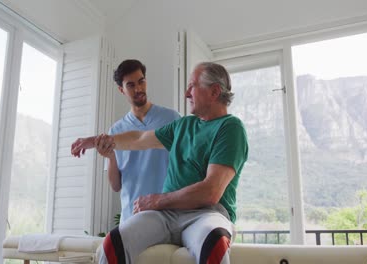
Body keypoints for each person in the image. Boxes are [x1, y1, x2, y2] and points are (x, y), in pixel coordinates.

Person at [71, 62, 248, 264]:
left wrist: (157, 201)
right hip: (165, 216)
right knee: (113, 244)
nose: (187, 93)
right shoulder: (183, 125)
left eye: (192, 86)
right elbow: (138, 139)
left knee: (214, 244)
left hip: (205, 214)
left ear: (215, 91)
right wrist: (93, 141)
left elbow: (211, 191)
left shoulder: (230, 128)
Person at [99, 59, 180, 223]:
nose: (138, 89)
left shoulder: (172, 119)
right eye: (130, 85)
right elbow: (116, 186)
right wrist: (110, 157)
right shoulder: (115, 131)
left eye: (141, 81)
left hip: (168, 216)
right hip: (131, 217)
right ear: (121, 90)